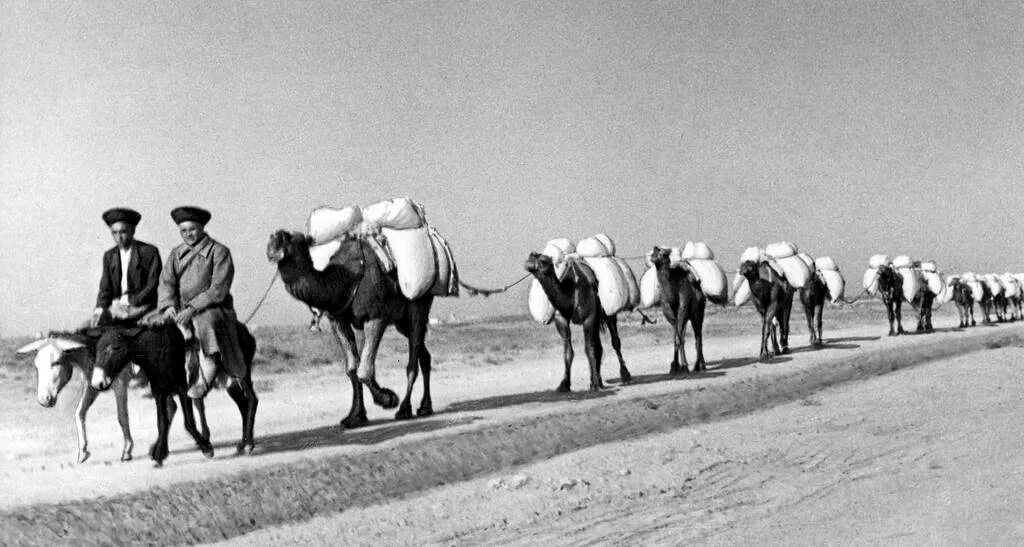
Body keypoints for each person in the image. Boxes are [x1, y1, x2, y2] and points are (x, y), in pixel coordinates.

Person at [157, 206, 247, 398]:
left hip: (214, 308)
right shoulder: (176, 254)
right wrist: (168, 305)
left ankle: (208, 369)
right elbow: (166, 282)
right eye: (183, 231)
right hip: (180, 308)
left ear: (201, 228)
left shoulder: (219, 251)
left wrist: (192, 307)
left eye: (192, 229)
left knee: (206, 322)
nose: (188, 234)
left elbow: (218, 289)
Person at [93, 208, 162, 326]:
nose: (119, 237)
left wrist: (133, 301)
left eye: (123, 232)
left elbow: (153, 284)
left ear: (132, 231)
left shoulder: (149, 252)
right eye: (114, 233)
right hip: (117, 308)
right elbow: (105, 288)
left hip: (142, 307)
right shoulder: (109, 256)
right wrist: (99, 310)